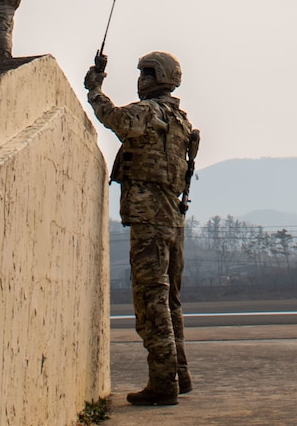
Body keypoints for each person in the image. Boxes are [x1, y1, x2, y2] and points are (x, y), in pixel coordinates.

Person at [85, 50, 200, 407]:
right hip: (171, 218)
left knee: (151, 300)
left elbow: (114, 118)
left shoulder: (150, 112)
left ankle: (163, 382)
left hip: (150, 217)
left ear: (159, 77)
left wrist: (95, 89)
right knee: (169, 300)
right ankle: (178, 374)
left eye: (146, 74)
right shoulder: (178, 118)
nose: (141, 80)